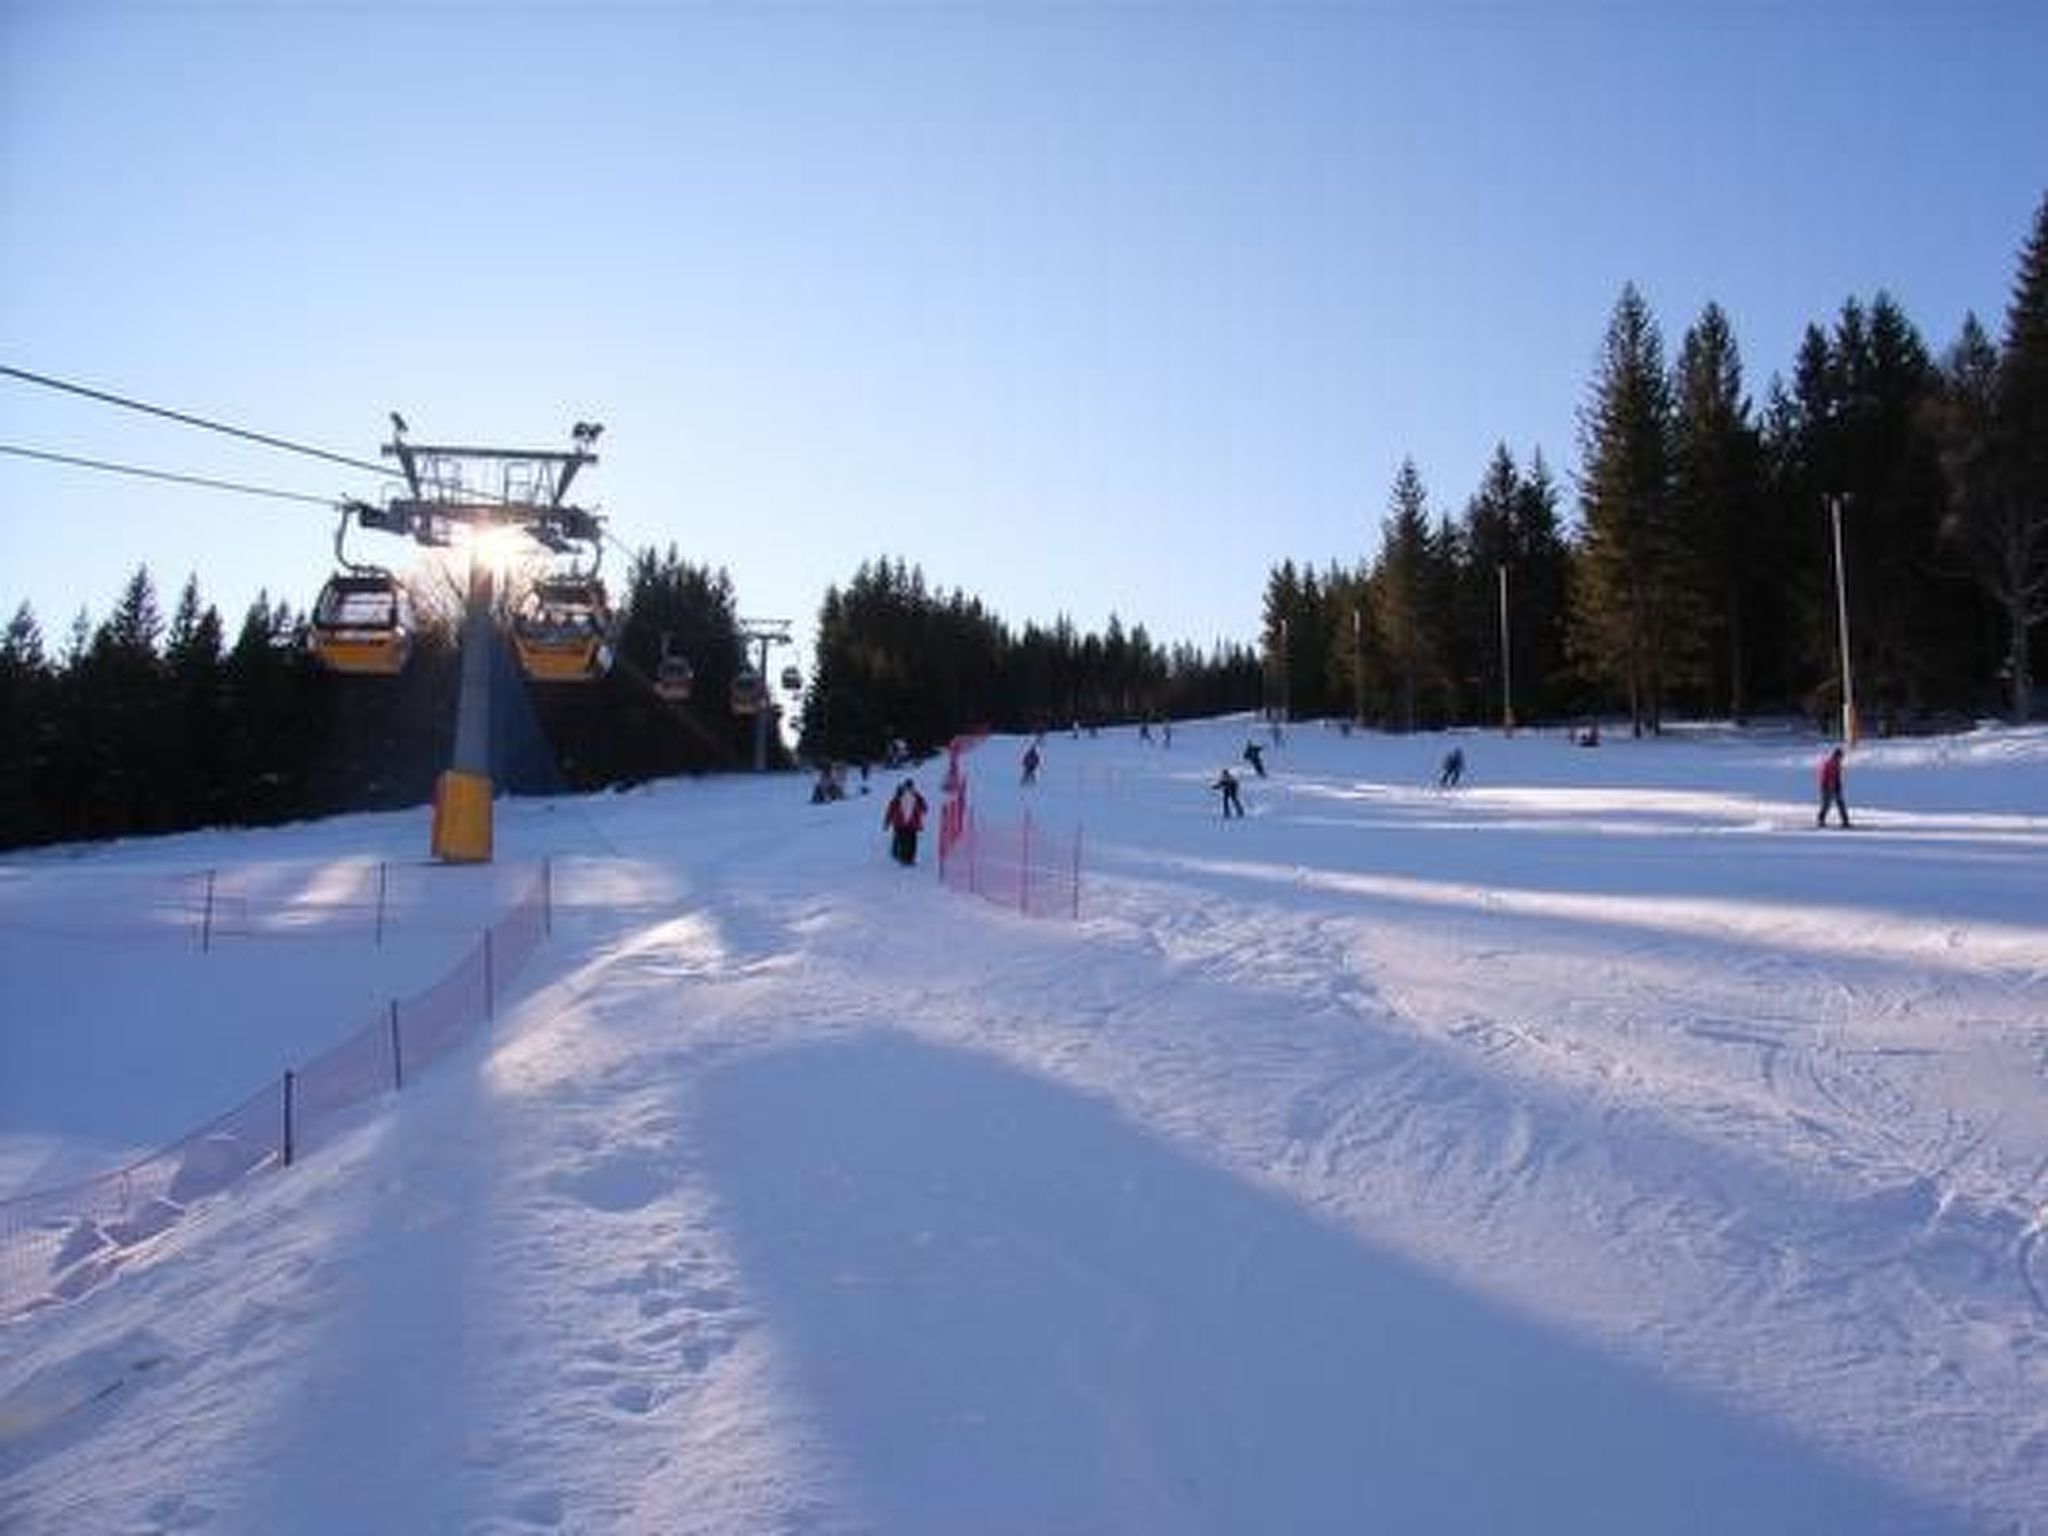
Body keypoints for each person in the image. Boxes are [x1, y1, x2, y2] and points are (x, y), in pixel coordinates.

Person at [884, 778, 928, 864]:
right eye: (908, 787)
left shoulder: (916, 797)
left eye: (910, 787)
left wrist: (887, 822)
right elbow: (890, 810)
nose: (909, 788)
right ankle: (903, 858)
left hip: (911, 824)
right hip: (902, 824)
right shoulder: (899, 797)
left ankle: (909, 858)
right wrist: (887, 822)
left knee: (911, 842)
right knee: (904, 841)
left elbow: (924, 808)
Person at [1817, 746, 1851, 828]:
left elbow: (1837, 776)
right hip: (1827, 786)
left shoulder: (1836, 763)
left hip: (1835, 786)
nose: (1841, 759)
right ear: (1836, 756)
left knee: (1840, 803)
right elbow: (1828, 776)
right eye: (1840, 757)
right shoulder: (1831, 763)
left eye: (1841, 757)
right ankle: (1821, 819)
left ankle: (1845, 821)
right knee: (1827, 804)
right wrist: (1831, 786)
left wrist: (1838, 786)